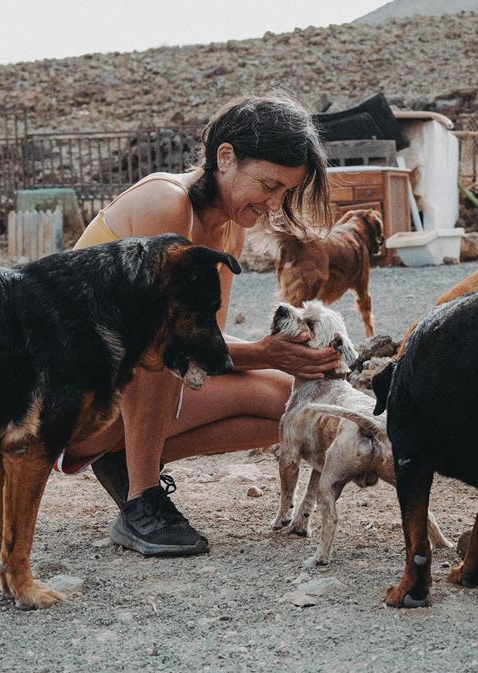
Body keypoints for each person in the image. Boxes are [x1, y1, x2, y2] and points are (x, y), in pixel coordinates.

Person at [59, 94, 341, 556]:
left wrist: (284, 357)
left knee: (290, 403)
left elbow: (209, 340)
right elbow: (163, 338)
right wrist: (266, 353)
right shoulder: (165, 203)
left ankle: (125, 461)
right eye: (269, 185)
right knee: (157, 344)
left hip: (120, 392)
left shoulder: (231, 227)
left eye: (285, 193)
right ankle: (142, 503)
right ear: (225, 157)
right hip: (71, 400)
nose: (274, 204)